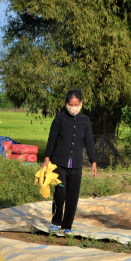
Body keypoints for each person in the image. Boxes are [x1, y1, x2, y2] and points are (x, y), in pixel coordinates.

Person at [41, 89, 98, 234]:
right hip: (59, 162)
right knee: (60, 191)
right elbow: (52, 139)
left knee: (73, 195)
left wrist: (93, 162)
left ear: (81, 103)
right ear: (66, 104)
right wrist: (46, 159)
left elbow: (89, 142)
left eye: (76, 105)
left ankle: (67, 226)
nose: (73, 108)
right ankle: (56, 222)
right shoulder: (60, 118)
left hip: (76, 164)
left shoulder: (85, 120)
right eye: (70, 105)